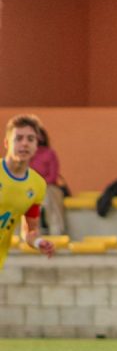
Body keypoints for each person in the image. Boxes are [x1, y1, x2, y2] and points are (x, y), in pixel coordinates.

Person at [0, 114, 55, 269]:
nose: (24, 144)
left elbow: (29, 231)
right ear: (6, 143)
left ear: (37, 145)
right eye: (18, 138)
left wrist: (38, 242)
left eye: (30, 139)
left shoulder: (37, 185)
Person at [29, 126, 68, 236]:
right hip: (31, 189)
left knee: (47, 196)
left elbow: (53, 176)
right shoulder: (27, 155)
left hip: (49, 188)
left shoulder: (50, 154)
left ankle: (56, 233)